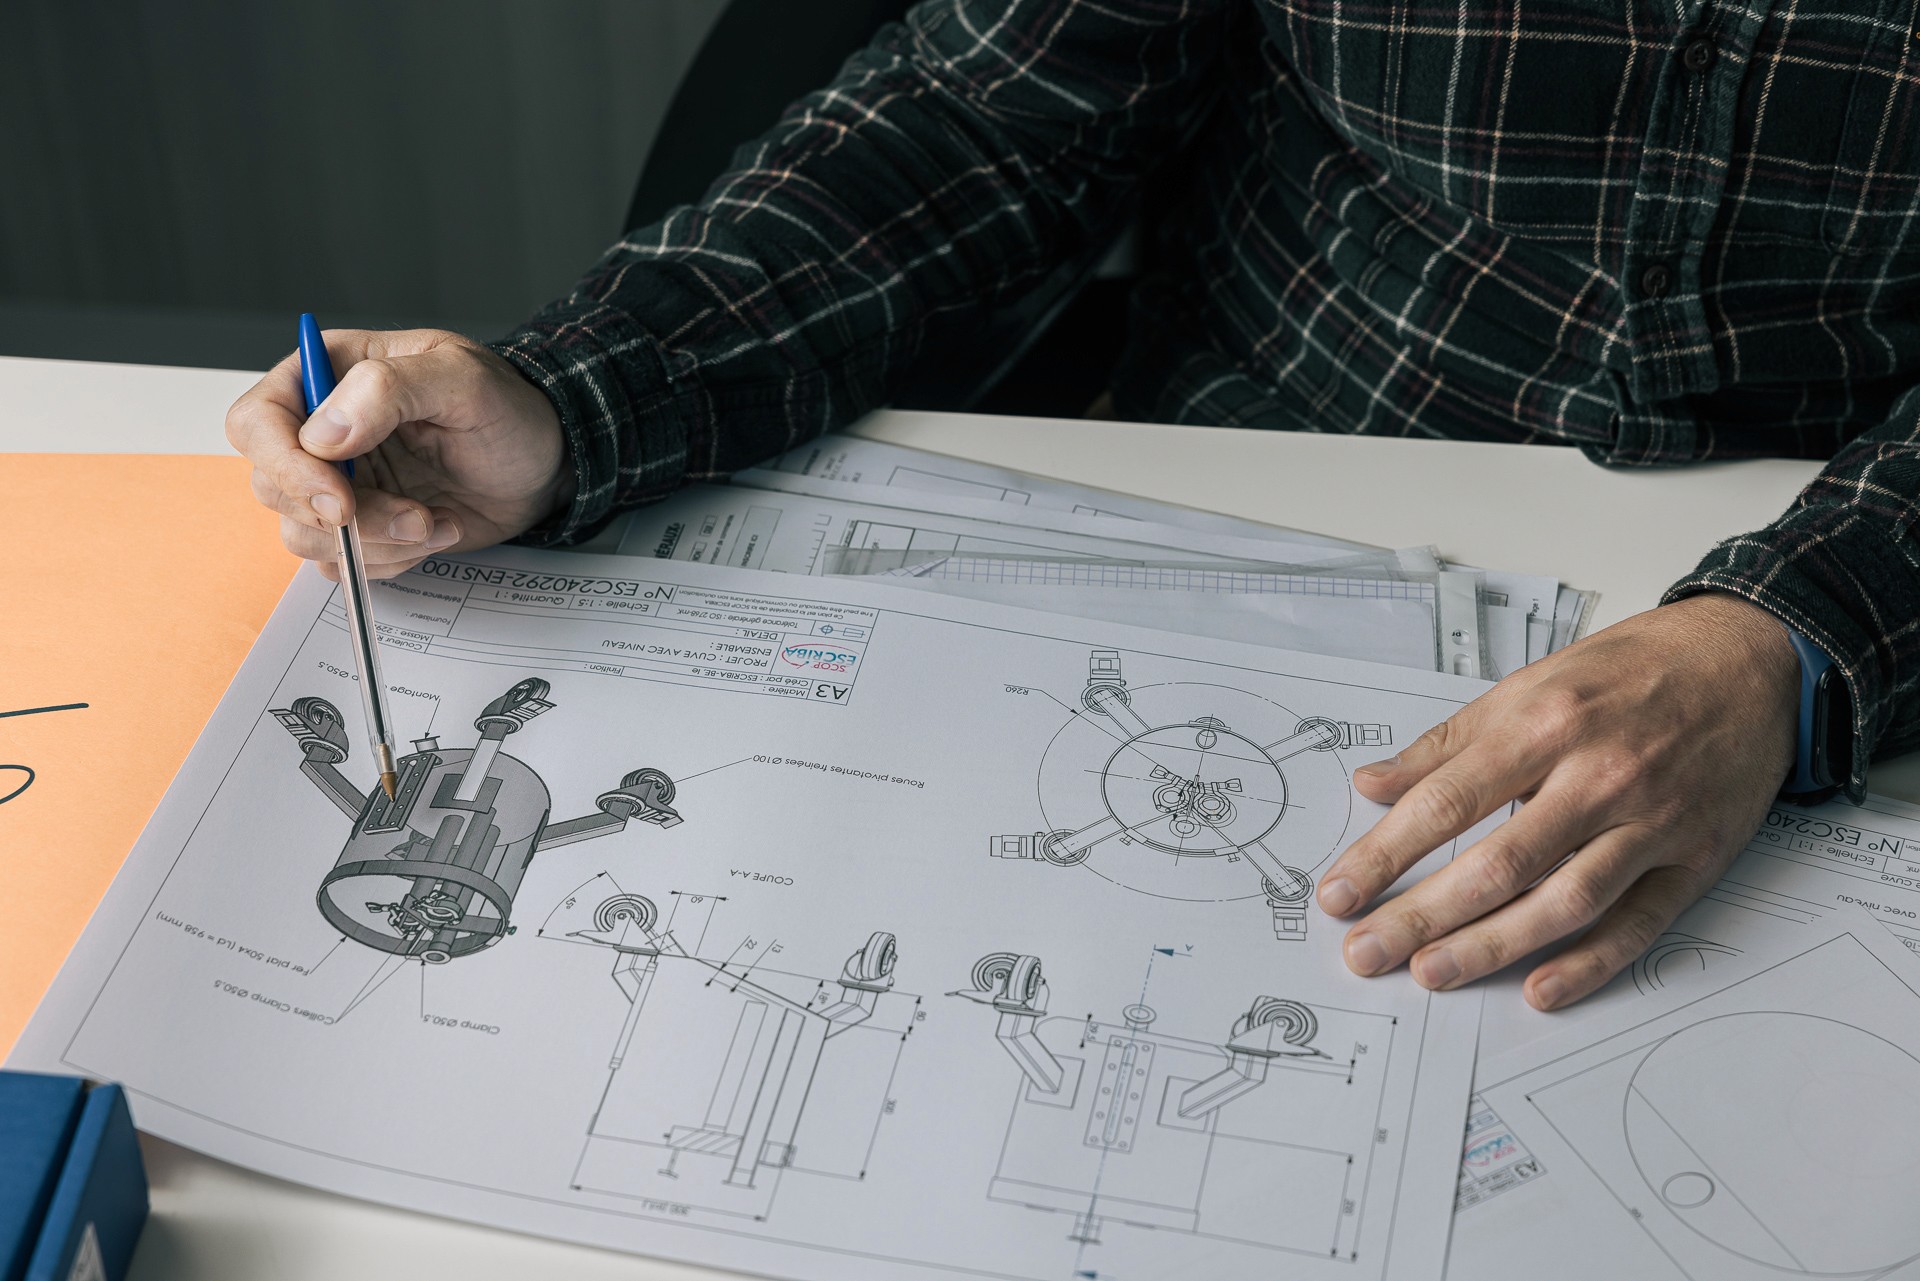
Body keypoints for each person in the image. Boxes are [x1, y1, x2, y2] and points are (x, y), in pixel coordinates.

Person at [225, 0, 1917, 1013]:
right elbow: (988, 115)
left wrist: (1797, 639)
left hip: (1848, 544)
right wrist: (575, 396)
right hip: (1269, 455)